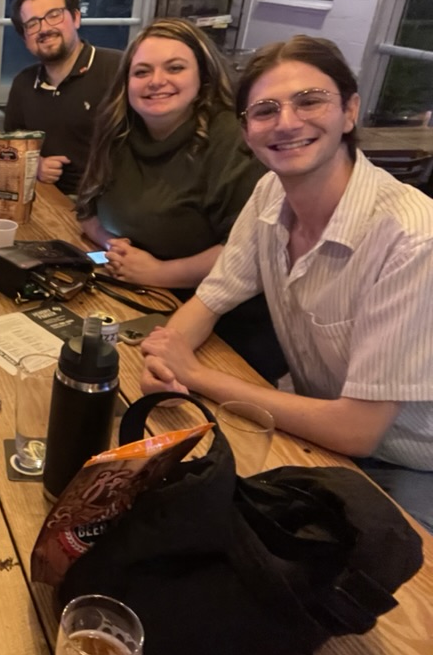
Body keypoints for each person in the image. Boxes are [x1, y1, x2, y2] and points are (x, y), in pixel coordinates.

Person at [140, 36, 433, 533]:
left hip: (405, 466)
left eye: (310, 101)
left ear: (350, 111)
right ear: (247, 131)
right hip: (311, 425)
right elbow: (212, 297)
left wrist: (197, 375)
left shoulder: (413, 238)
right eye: (265, 110)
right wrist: (166, 359)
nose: (287, 122)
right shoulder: (270, 192)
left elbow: (358, 430)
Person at [73, 18, 283, 382]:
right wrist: (111, 245)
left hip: (227, 332)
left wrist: (158, 272)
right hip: (139, 300)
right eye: (142, 71)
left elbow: (247, 253)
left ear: (203, 76)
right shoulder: (118, 129)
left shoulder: (232, 141)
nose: (156, 81)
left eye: (174, 68)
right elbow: (86, 211)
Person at [3, 0, 123, 195]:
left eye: (54, 15)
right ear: (25, 39)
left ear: (76, 17)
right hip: (45, 199)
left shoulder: (118, 70)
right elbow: (11, 148)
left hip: (108, 203)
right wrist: (35, 164)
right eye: (32, 24)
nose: (44, 29)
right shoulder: (23, 84)